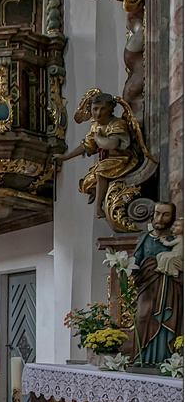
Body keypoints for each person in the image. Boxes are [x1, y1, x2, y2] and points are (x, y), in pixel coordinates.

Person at [54, 92, 142, 218]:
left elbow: (112, 144)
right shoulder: (95, 126)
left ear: (110, 109)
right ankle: (99, 192)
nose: (98, 113)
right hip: (108, 161)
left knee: (101, 172)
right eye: (95, 109)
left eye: (102, 109)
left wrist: (98, 137)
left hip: (123, 159)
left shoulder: (117, 124)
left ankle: (98, 206)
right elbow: (86, 146)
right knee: (85, 184)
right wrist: (66, 157)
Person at [133, 202, 183, 364]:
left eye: (165, 214)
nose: (159, 218)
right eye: (157, 213)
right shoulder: (146, 238)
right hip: (148, 289)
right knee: (142, 317)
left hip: (171, 290)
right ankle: (141, 359)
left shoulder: (178, 239)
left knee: (167, 323)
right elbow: (135, 264)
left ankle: (166, 360)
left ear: (172, 217)